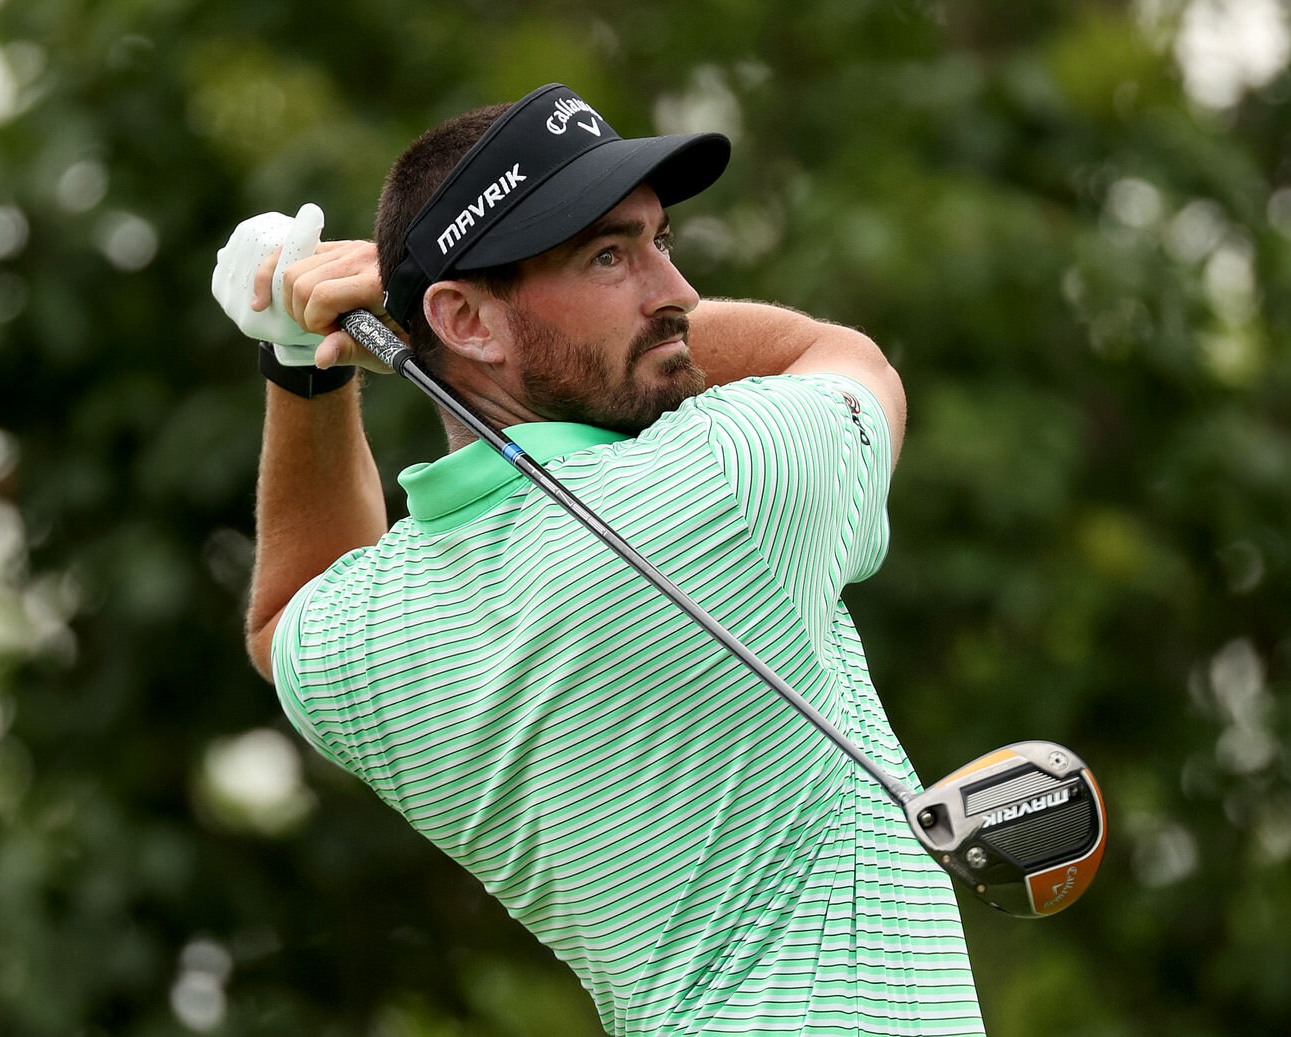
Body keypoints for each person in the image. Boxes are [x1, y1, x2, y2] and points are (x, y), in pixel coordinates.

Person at [214, 83, 985, 1036]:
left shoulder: (381, 630)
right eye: (610, 256)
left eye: (661, 240)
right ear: (468, 321)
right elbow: (837, 352)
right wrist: (396, 316)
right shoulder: (732, 482)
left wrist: (301, 361)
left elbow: (284, 611)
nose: (677, 293)